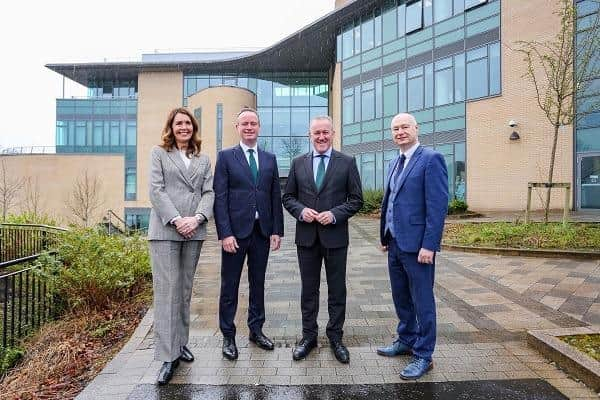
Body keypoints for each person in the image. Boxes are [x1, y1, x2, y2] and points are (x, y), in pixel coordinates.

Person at [282, 116, 363, 364]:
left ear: (333, 133)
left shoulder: (347, 162)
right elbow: (288, 197)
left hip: (336, 238)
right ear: (310, 135)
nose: (321, 137)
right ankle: (309, 337)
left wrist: (335, 214)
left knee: (337, 290)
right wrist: (301, 211)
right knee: (309, 291)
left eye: (325, 132)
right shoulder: (298, 163)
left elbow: (356, 199)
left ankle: (336, 338)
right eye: (316, 133)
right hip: (306, 238)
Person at [377, 113, 448, 380]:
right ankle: (406, 339)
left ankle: (424, 355)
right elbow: (390, 202)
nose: (400, 132)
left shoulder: (431, 159)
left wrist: (429, 245)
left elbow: (437, 206)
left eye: (405, 127)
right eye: (395, 128)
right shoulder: (394, 162)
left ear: (416, 128)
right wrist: (385, 235)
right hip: (395, 243)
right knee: (401, 297)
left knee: (423, 301)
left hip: (418, 247)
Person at [148, 107, 215, 385]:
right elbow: (156, 190)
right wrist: (177, 220)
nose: (184, 127)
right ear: (171, 127)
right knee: (167, 293)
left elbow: (209, 192)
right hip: (166, 230)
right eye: (179, 123)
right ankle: (167, 356)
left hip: (193, 231)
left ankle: (181, 343)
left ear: (193, 127)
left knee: (184, 290)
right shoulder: (159, 153)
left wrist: (197, 218)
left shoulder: (203, 159)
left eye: (188, 123)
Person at [213, 107, 284, 360]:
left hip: (261, 232)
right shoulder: (225, 157)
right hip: (235, 234)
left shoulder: (269, 158)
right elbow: (220, 198)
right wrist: (225, 234)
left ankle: (256, 330)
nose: (249, 127)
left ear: (259, 127)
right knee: (229, 285)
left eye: (253, 123)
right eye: (244, 124)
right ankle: (228, 336)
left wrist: (277, 229)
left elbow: (274, 195)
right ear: (237, 128)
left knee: (258, 283)